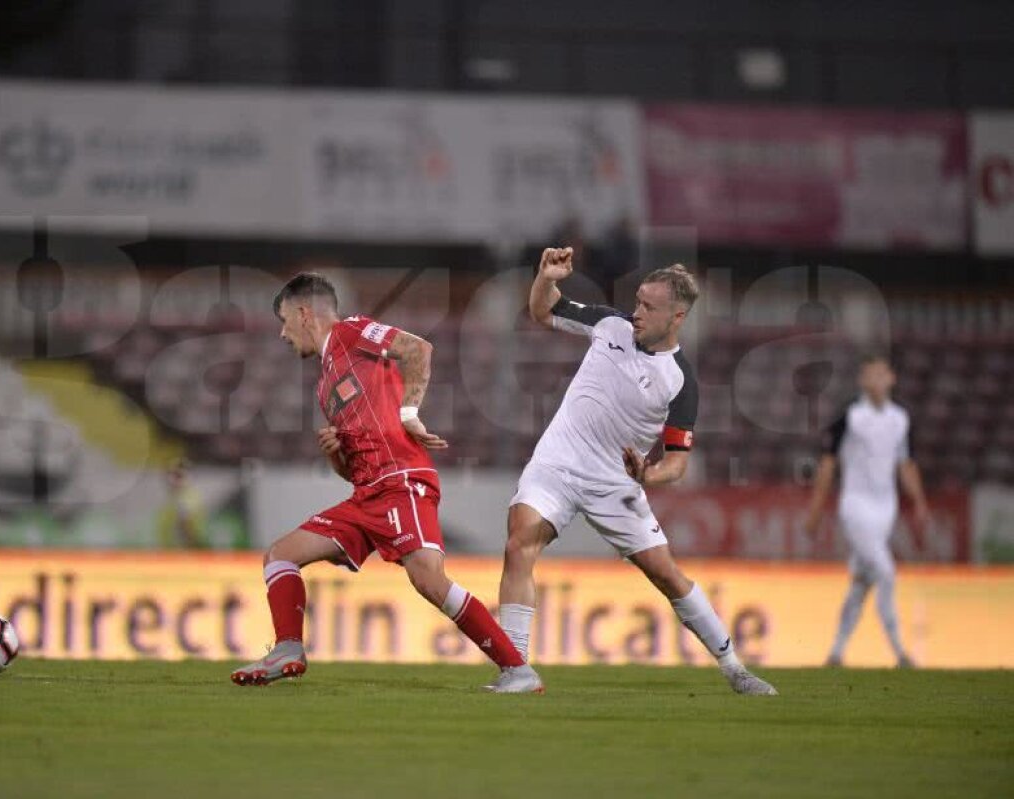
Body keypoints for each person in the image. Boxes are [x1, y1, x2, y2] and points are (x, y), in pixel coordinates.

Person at [231, 273, 540, 692]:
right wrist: (335, 454)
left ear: (305, 314)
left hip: (402, 481)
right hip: (367, 493)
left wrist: (409, 413)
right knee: (280, 556)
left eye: (284, 320)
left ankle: (517, 670)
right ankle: (288, 647)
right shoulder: (325, 386)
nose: (283, 333)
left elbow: (418, 349)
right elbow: (352, 472)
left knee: (428, 578)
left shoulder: (351, 331)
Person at [493, 247, 778, 696]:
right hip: (559, 460)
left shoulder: (680, 382)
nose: (637, 312)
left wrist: (648, 476)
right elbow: (542, 312)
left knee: (666, 575)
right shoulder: (610, 325)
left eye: (649, 307)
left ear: (677, 317)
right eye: (638, 301)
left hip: (616, 483)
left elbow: (678, 464)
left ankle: (735, 668)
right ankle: (516, 669)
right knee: (518, 543)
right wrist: (546, 278)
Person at [804, 355, 929, 668]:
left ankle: (836, 651)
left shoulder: (900, 418)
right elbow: (828, 464)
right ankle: (901, 651)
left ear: (891, 379)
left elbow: (906, 464)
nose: (875, 380)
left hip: (886, 507)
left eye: (881, 374)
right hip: (855, 506)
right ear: (862, 380)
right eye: (869, 375)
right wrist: (816, 511)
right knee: (886, 572)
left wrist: (920, 502)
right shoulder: (850, 416)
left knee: (861, 583)